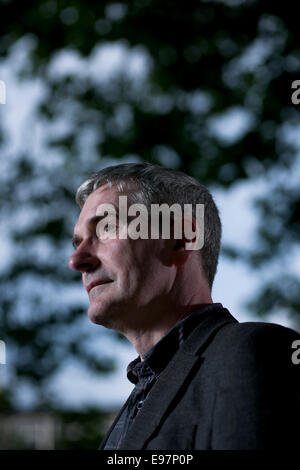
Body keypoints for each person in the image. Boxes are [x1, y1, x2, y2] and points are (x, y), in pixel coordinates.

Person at [68, 162, 300, 450]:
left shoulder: (258, 352)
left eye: (105, 229)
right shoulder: (138, 400)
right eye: (77, 242)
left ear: (181, 239)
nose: (76, 261)